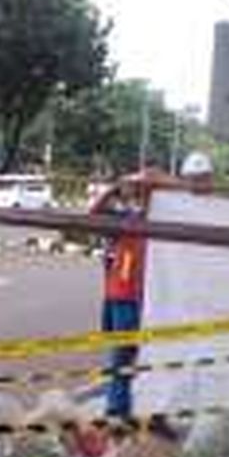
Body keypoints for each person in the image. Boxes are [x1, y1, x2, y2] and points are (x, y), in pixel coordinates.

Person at [93, 175, 149, 419]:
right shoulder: (125, 219)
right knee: (123, 353)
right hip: (123, 294)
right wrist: (114, 189)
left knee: (136, 352)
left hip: (146, 295)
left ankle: (126, 407)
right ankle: (117, 409)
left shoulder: (163, 218)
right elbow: (94, 214)